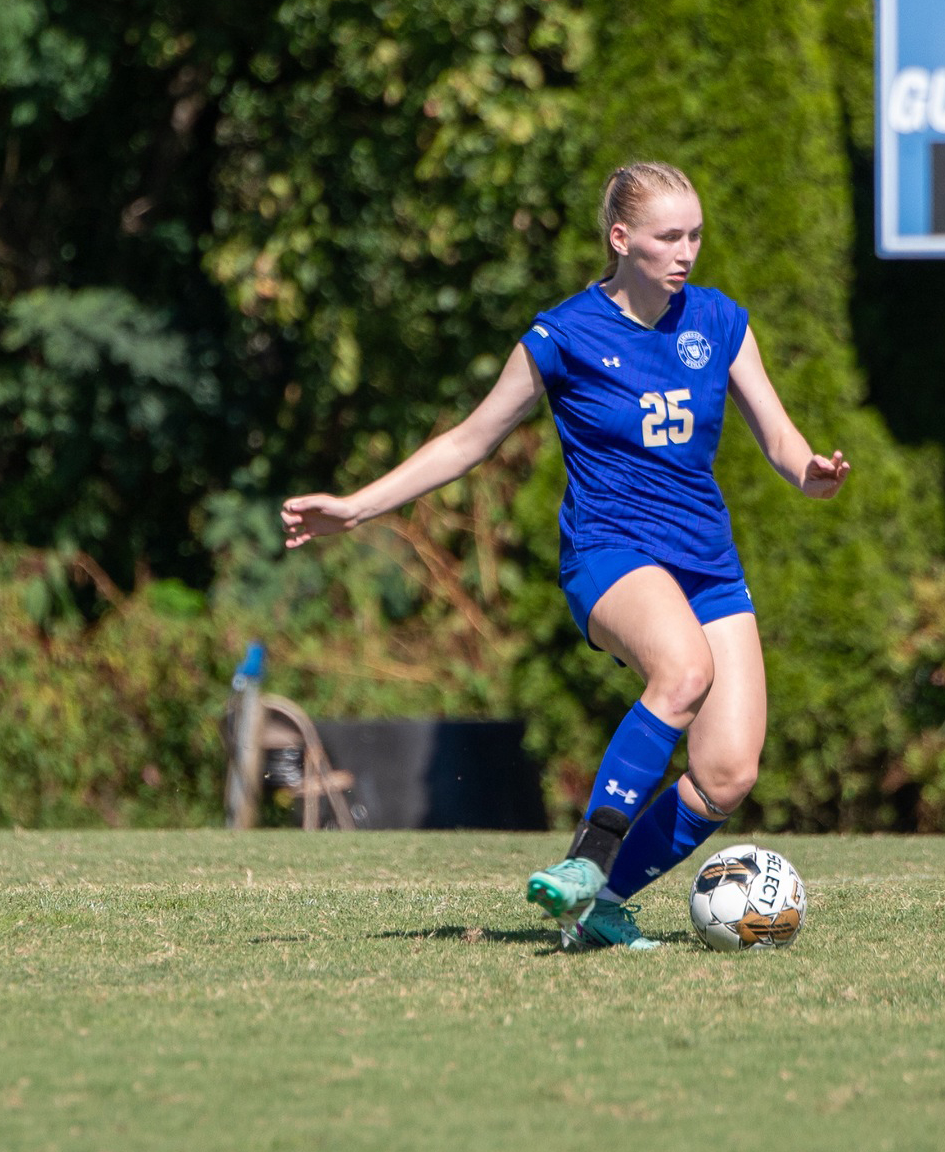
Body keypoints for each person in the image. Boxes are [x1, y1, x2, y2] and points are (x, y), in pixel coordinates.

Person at [280, 161, 851, 949]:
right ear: (621, 239)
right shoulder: (565, 334)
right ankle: (589, 858)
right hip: (611, 553)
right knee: (683, 670)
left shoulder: (719, 321)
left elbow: (782, 441)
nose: (686, 251)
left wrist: (811, 472)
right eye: (667, 236)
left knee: (728, 774)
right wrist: (357, 506)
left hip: (707, 563)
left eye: (695, 235)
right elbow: (468, 441)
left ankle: (598, 905)